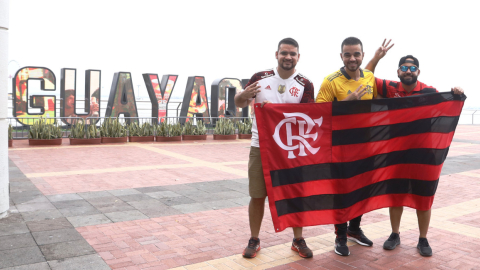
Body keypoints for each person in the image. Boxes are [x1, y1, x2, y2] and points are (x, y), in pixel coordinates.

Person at [365, 43, 464, 257]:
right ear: (398, 71)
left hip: (423, 153)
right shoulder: (389, 87)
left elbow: (446, 105)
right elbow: (365, 77)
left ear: (418, 72)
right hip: (396, 153)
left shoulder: (429, 91)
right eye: (404, 68)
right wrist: (376, 57)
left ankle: (423, 239)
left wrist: (457, 93)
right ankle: (394, 234)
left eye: (412, 68)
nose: (407, 71)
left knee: (424, 196)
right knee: (395, 195)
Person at [234, 37, 315, 259]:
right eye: (284, 53)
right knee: (257, 195)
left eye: (292, 54)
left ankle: (298, 239)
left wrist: (277, 110)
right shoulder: (260, 78)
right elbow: (239, 102)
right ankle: (254, 239)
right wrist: (243, 95)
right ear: (276, 54)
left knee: (294, 195)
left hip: (290, 149)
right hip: (261, 146)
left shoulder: (305, 84)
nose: (288, 57)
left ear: (298, 57)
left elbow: (307, 117)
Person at [315, 36, 380, 256]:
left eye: (356, 54)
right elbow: (318, 114)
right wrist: (346, 102)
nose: (352, 58)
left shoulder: (370, 77)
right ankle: (340, 236)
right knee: (342, 191)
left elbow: (384, 102)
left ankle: (354, 229)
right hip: (341, 146)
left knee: (362, 188)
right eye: (347, 54)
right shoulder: (330, 80)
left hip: (366, 145)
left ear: (362, 55)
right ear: (341, 56)